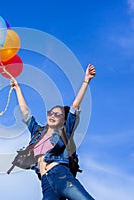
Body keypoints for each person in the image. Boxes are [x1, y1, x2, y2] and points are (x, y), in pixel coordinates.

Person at [10, 64, 96, 200]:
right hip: (46, 183)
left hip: (60, 175)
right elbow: (25, 112)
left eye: (58, 114)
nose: (53, 115)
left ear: (63, 120)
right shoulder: (37, 132)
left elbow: (74, 106)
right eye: (51, 112)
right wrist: (17, 89)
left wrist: (86, 81)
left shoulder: (64, 131)